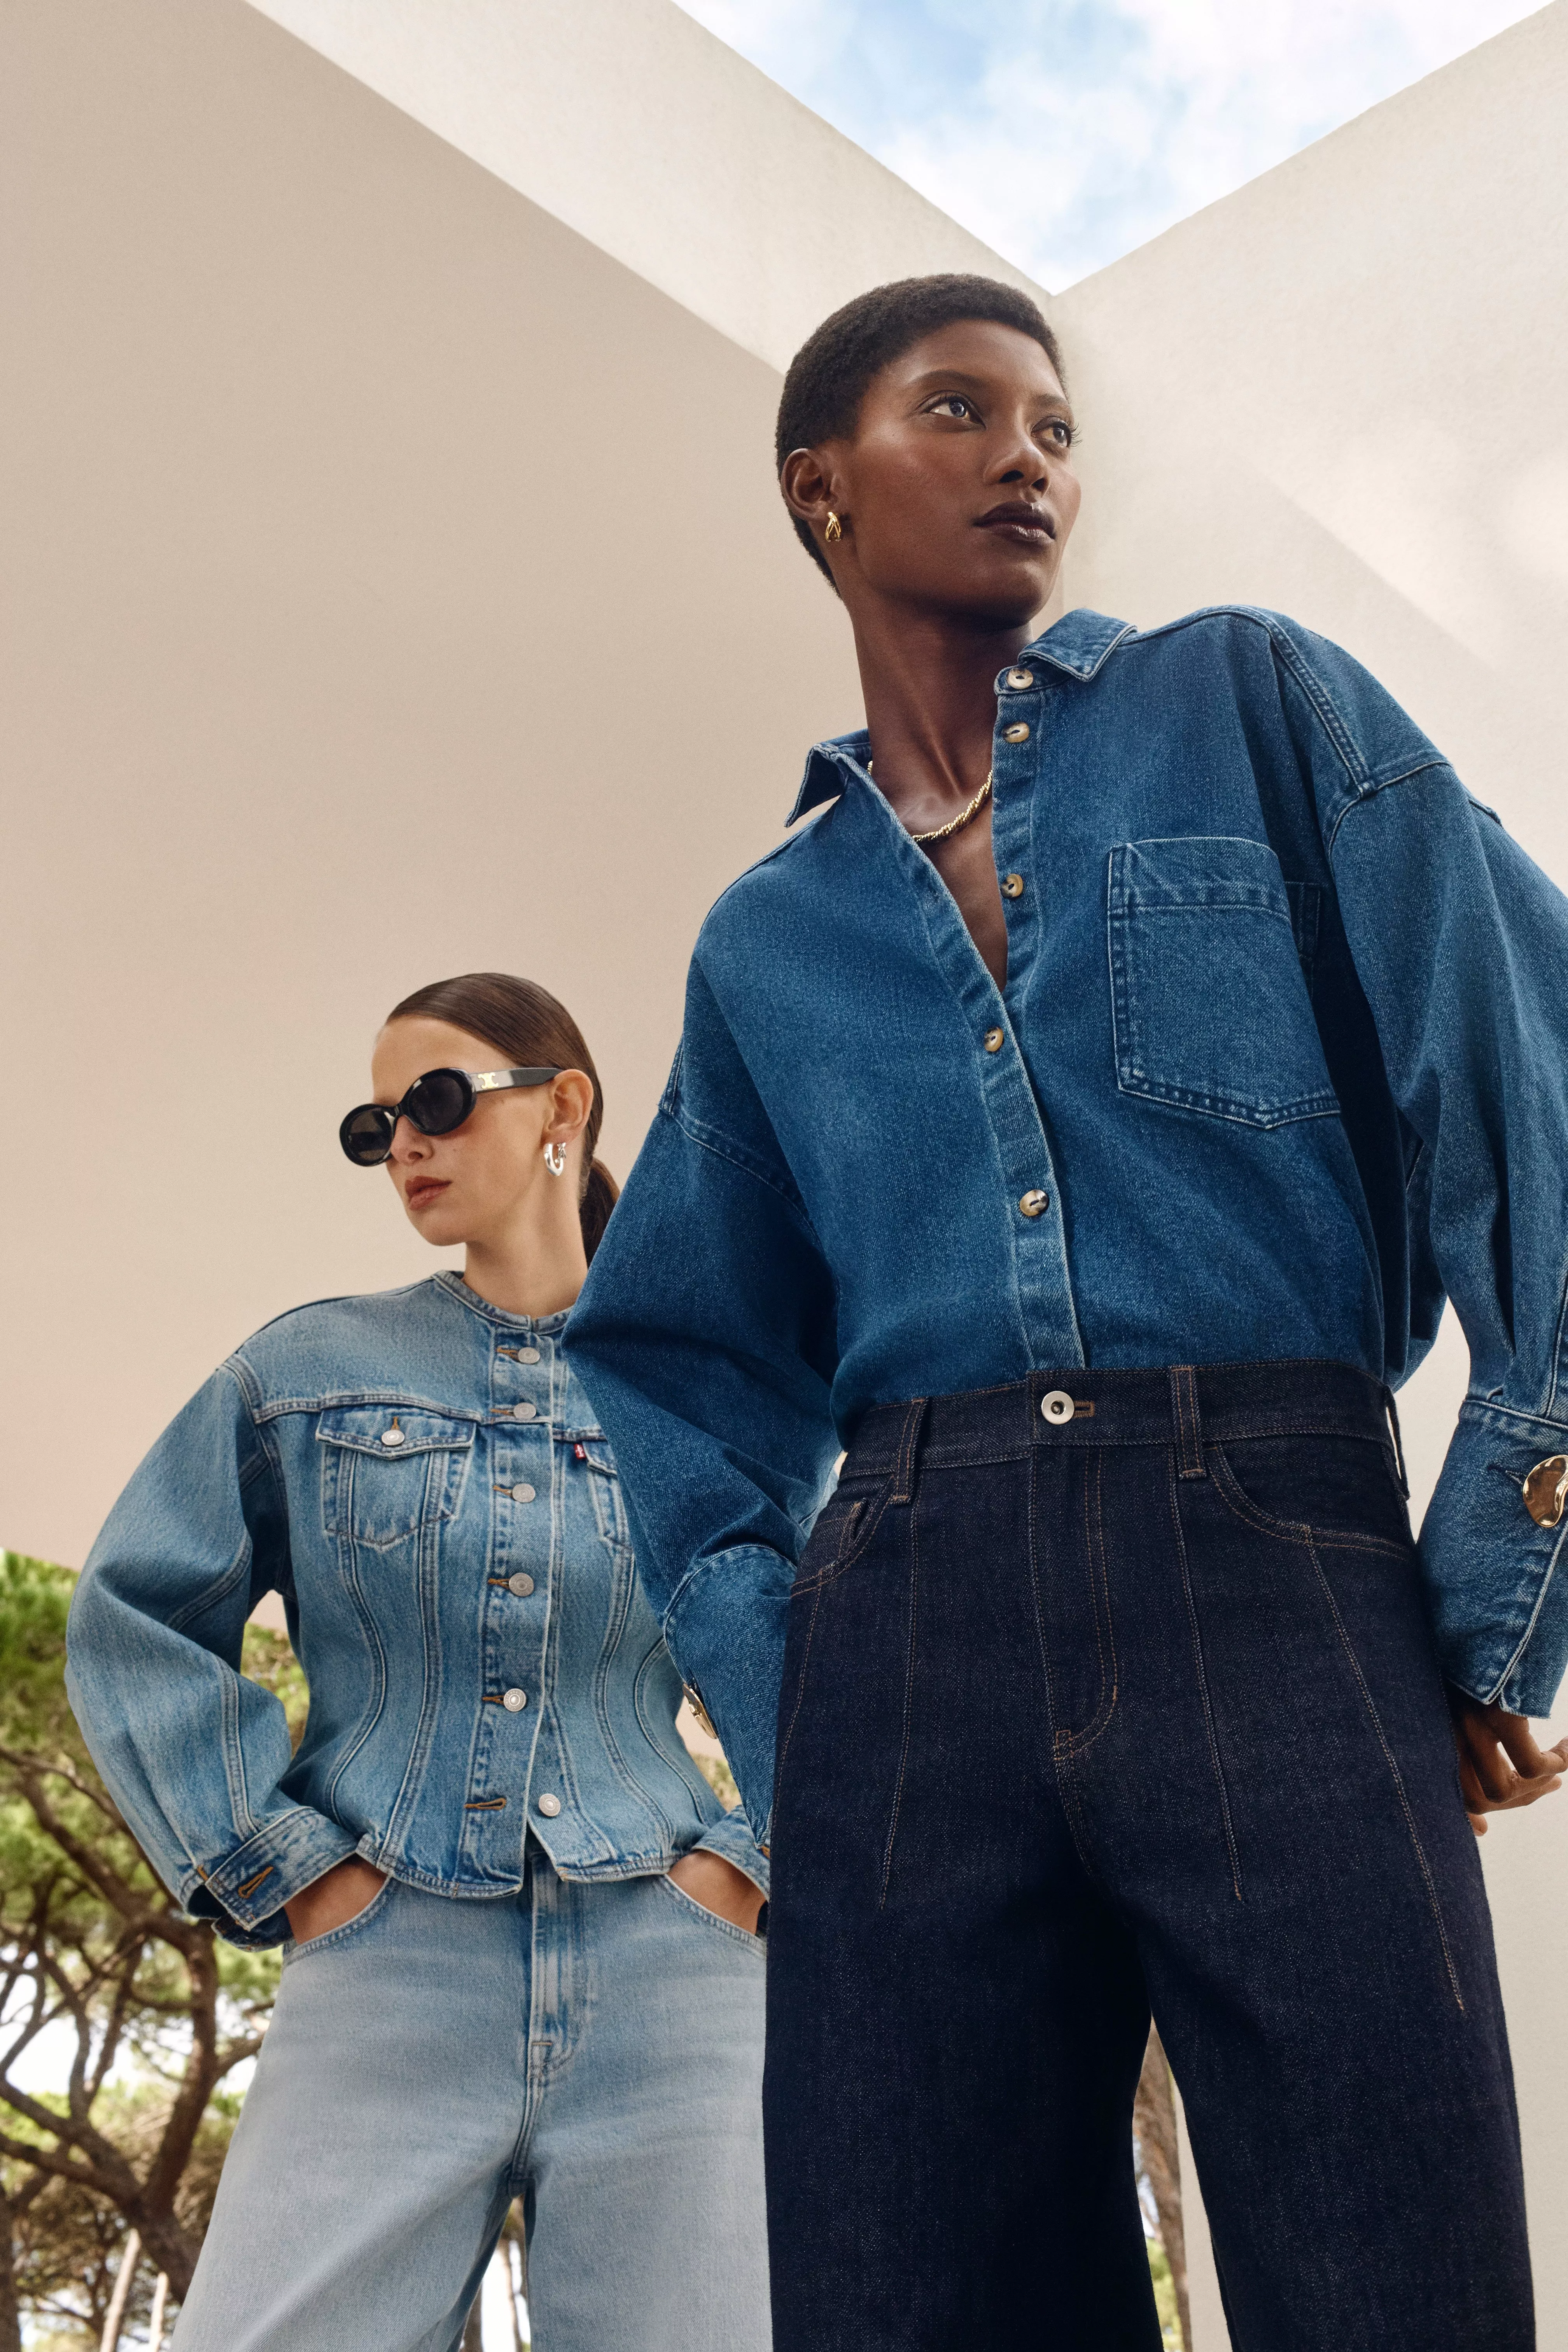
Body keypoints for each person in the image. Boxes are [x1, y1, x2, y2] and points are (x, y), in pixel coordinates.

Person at [565, 274, 1568, 2352]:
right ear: (819, 488)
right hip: (907, 1609)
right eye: (963, 409)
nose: (1031, 453)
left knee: (1396, 2267)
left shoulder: (1257, 705)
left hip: (1277, 1557)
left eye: (1056, 424)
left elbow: (1533, 1100)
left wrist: (1481, 1602)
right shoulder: (769, 937)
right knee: (913, 2290)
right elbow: (674, 1364)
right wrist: (790, 1711)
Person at [66, 972, 770, 2352]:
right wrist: (289, 1867)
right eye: (377, 1122)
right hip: (386, 1965)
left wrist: (751, 1863)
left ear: (564, 1104)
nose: (404, 1144)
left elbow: (836, 1640)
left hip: (674, 1977)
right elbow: (134, 1614)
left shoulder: (709, 1390)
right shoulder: (307, 1369)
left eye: (437, 1102)